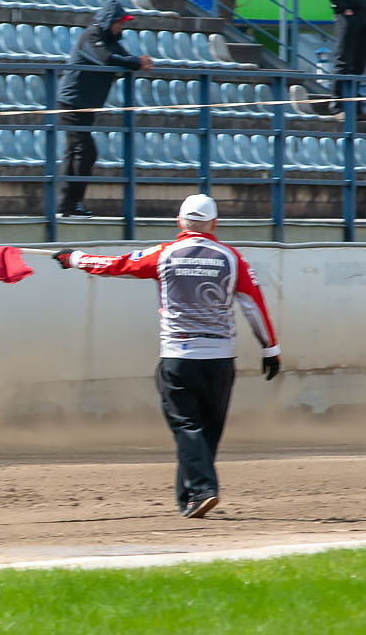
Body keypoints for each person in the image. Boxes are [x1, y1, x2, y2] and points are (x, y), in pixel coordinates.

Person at [52, 193, 280, 517]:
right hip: (220, 361)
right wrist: (270, 348)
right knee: (206, 432)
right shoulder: (232, 258)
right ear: (214, 224)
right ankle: (191, 499)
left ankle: (203, 490)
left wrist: (74, 258)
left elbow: (117, 265)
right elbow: (252, 303)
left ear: (179, 223)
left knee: (188, 427)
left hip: (179, 357)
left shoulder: (164, 254)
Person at [56, 0, 154, 216]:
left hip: (87, 104)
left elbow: (123, 56)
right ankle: (70, 204)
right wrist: (136, 63)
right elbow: (106, 59)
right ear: (108, 21)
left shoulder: (110, 38)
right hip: (72, 102)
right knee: (85, 151)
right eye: (119, 23)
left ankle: (67, 205)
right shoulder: (92, 36)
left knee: (75, 152)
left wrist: (136, 62)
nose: (121, 27)